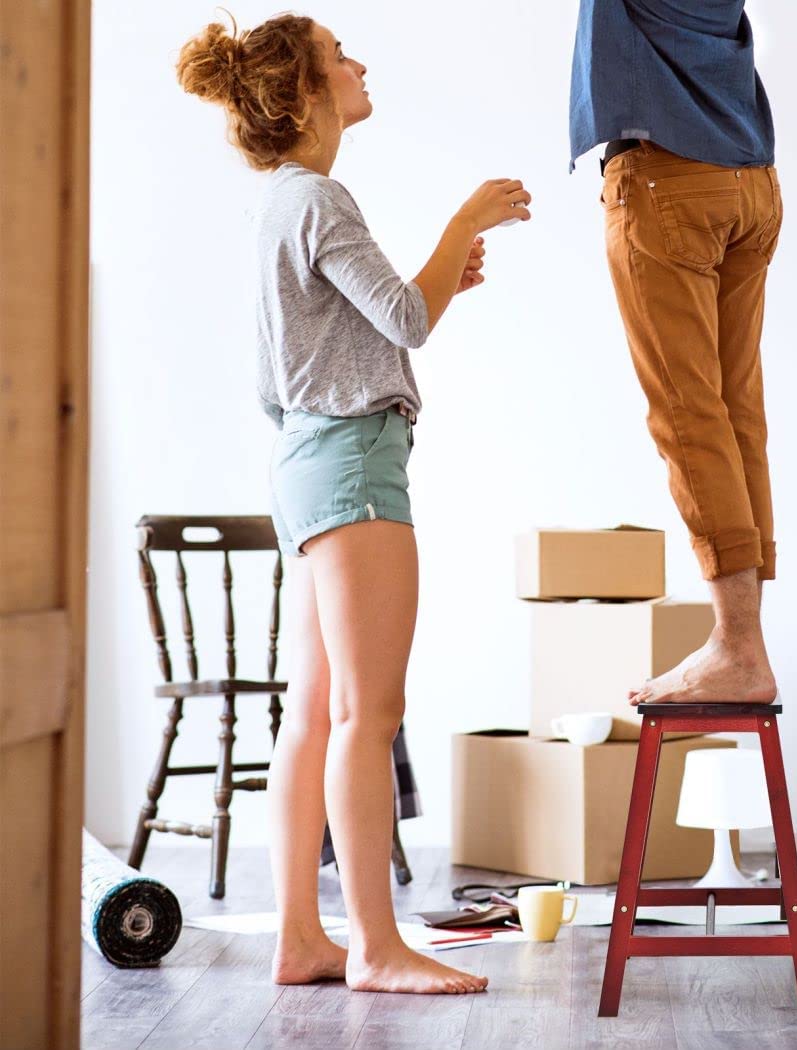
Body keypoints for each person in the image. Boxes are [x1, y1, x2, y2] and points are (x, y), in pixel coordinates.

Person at [176, 11, 531, 994]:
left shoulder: (281, 203)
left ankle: (303, 938)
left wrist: (442, 276)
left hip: (304, 458)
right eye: (341, 57)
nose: (360, 64)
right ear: (303, 94)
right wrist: (466, 222)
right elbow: (407, 320)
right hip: (354, 458)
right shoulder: (323, 200)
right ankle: (375, 946)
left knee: (317, 712)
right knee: (370, 715)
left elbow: (379, 321)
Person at [570, 0, 782, 705]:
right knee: (733, 408)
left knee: (689, 414)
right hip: (750, 178)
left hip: (668, 180)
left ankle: (738, 647)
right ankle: (743, 638)